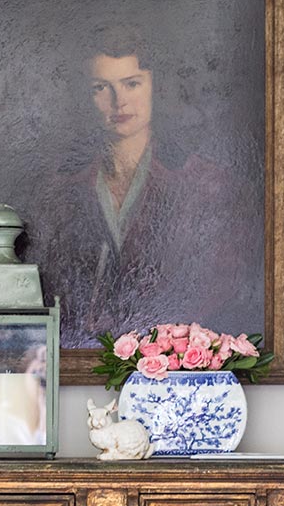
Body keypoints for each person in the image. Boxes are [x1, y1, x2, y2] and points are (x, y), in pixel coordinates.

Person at [31, 25, 261, 346]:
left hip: (167, 362)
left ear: (155, 87)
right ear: (86, 98)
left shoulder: (206, 185)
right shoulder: (61, 191)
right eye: (101, 87)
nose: (118, 101)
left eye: (132, 84)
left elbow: (217, 291)